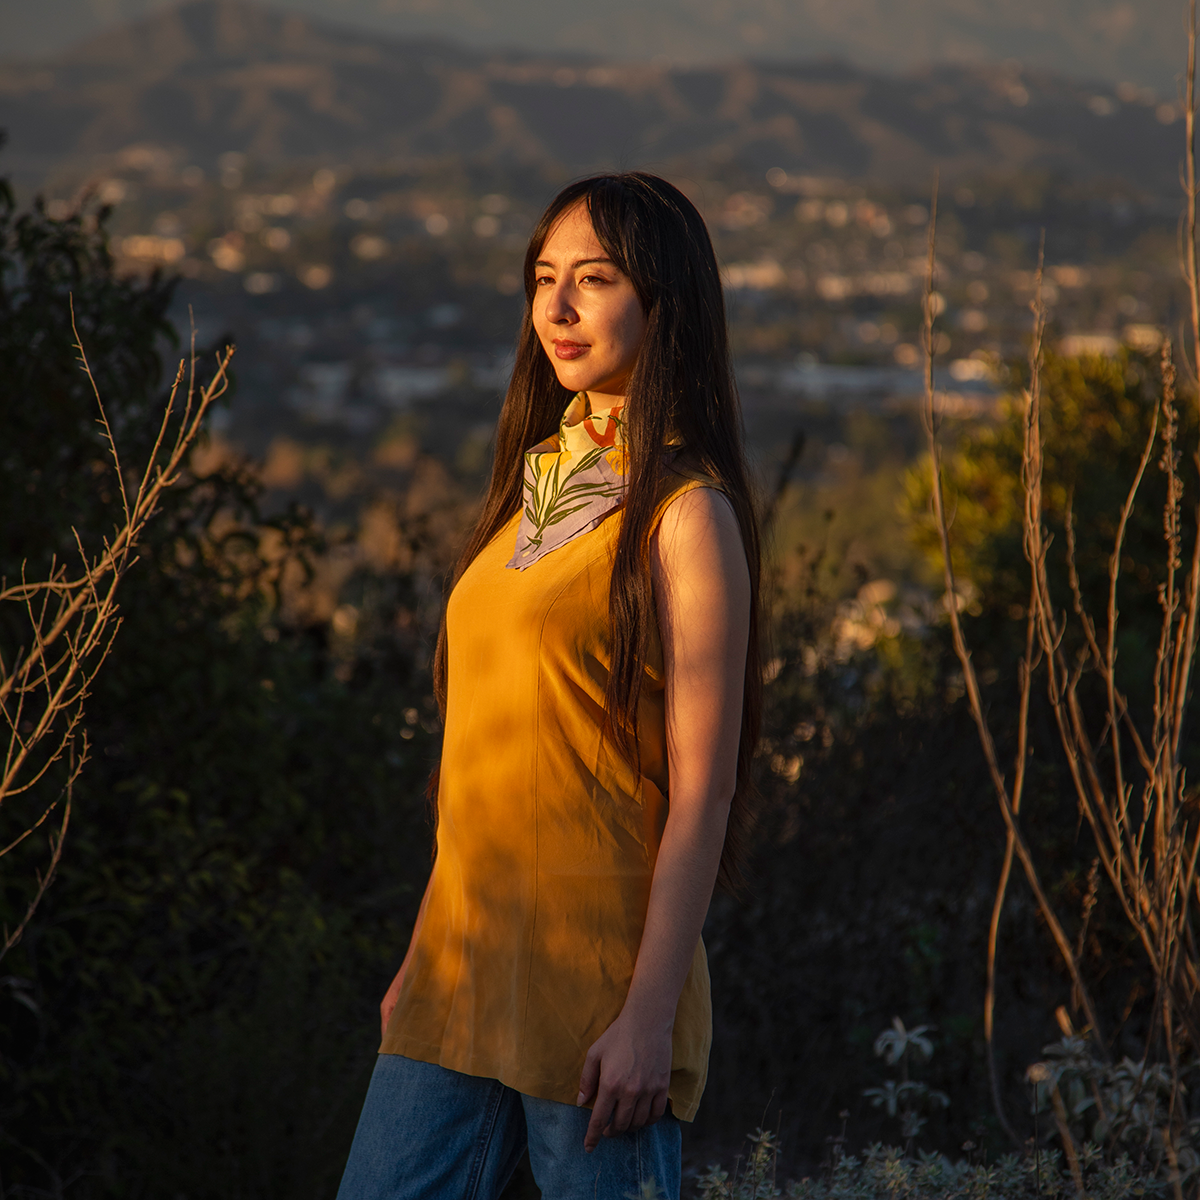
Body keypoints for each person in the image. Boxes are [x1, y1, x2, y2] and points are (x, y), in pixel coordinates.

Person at [336, 172, 762, 1200]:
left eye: (595, 279)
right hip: (459, 972)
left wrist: (648, 1018)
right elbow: (484, 754)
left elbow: (702, 794)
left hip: (594, 986)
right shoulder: (533, 488)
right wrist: (419, 956)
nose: (558, 308)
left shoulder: (686, 515)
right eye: (543, 279)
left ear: (663, 300)